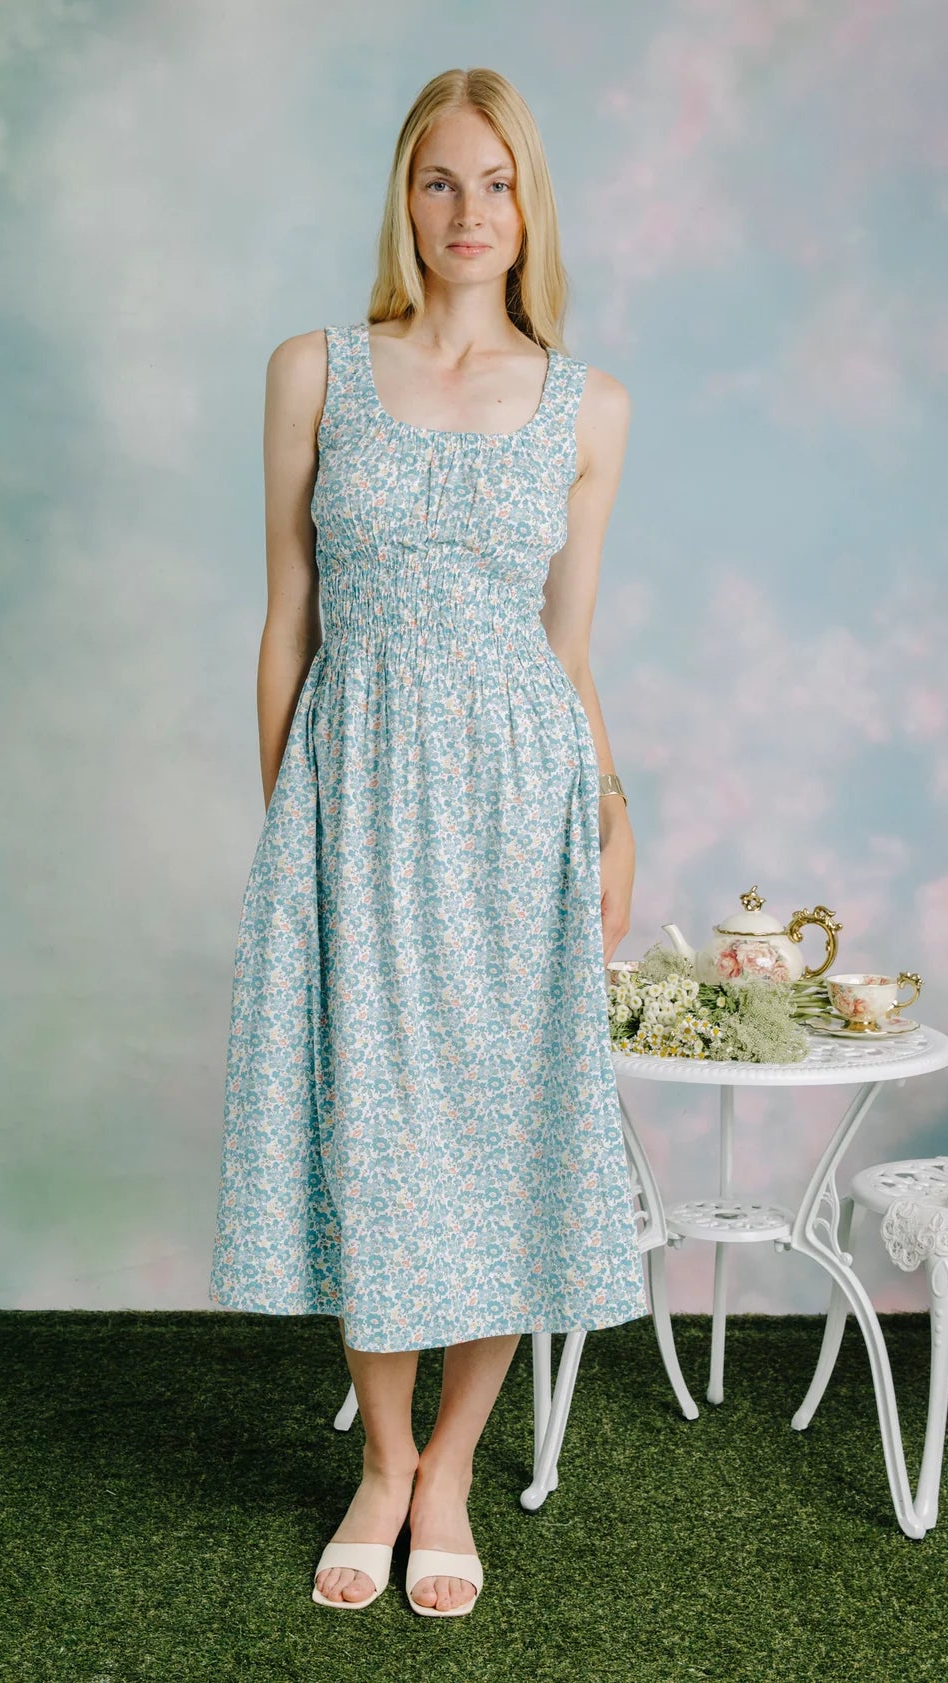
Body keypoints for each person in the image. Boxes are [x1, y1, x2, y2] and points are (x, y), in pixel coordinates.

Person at [208, 65, 648, 1617]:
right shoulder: (314, 371)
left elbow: (568, 648)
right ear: (405, 196)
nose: (470, 212)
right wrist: (295, 822)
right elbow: (287, 621)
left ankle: (453, 1466)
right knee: (374, 1130)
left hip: (523, 803)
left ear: (532, 205)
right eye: (440, 180)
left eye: (497, 183)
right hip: (357, 796)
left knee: (509, 1134)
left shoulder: (590, 406)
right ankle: (382, 1461)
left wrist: (612, 809)